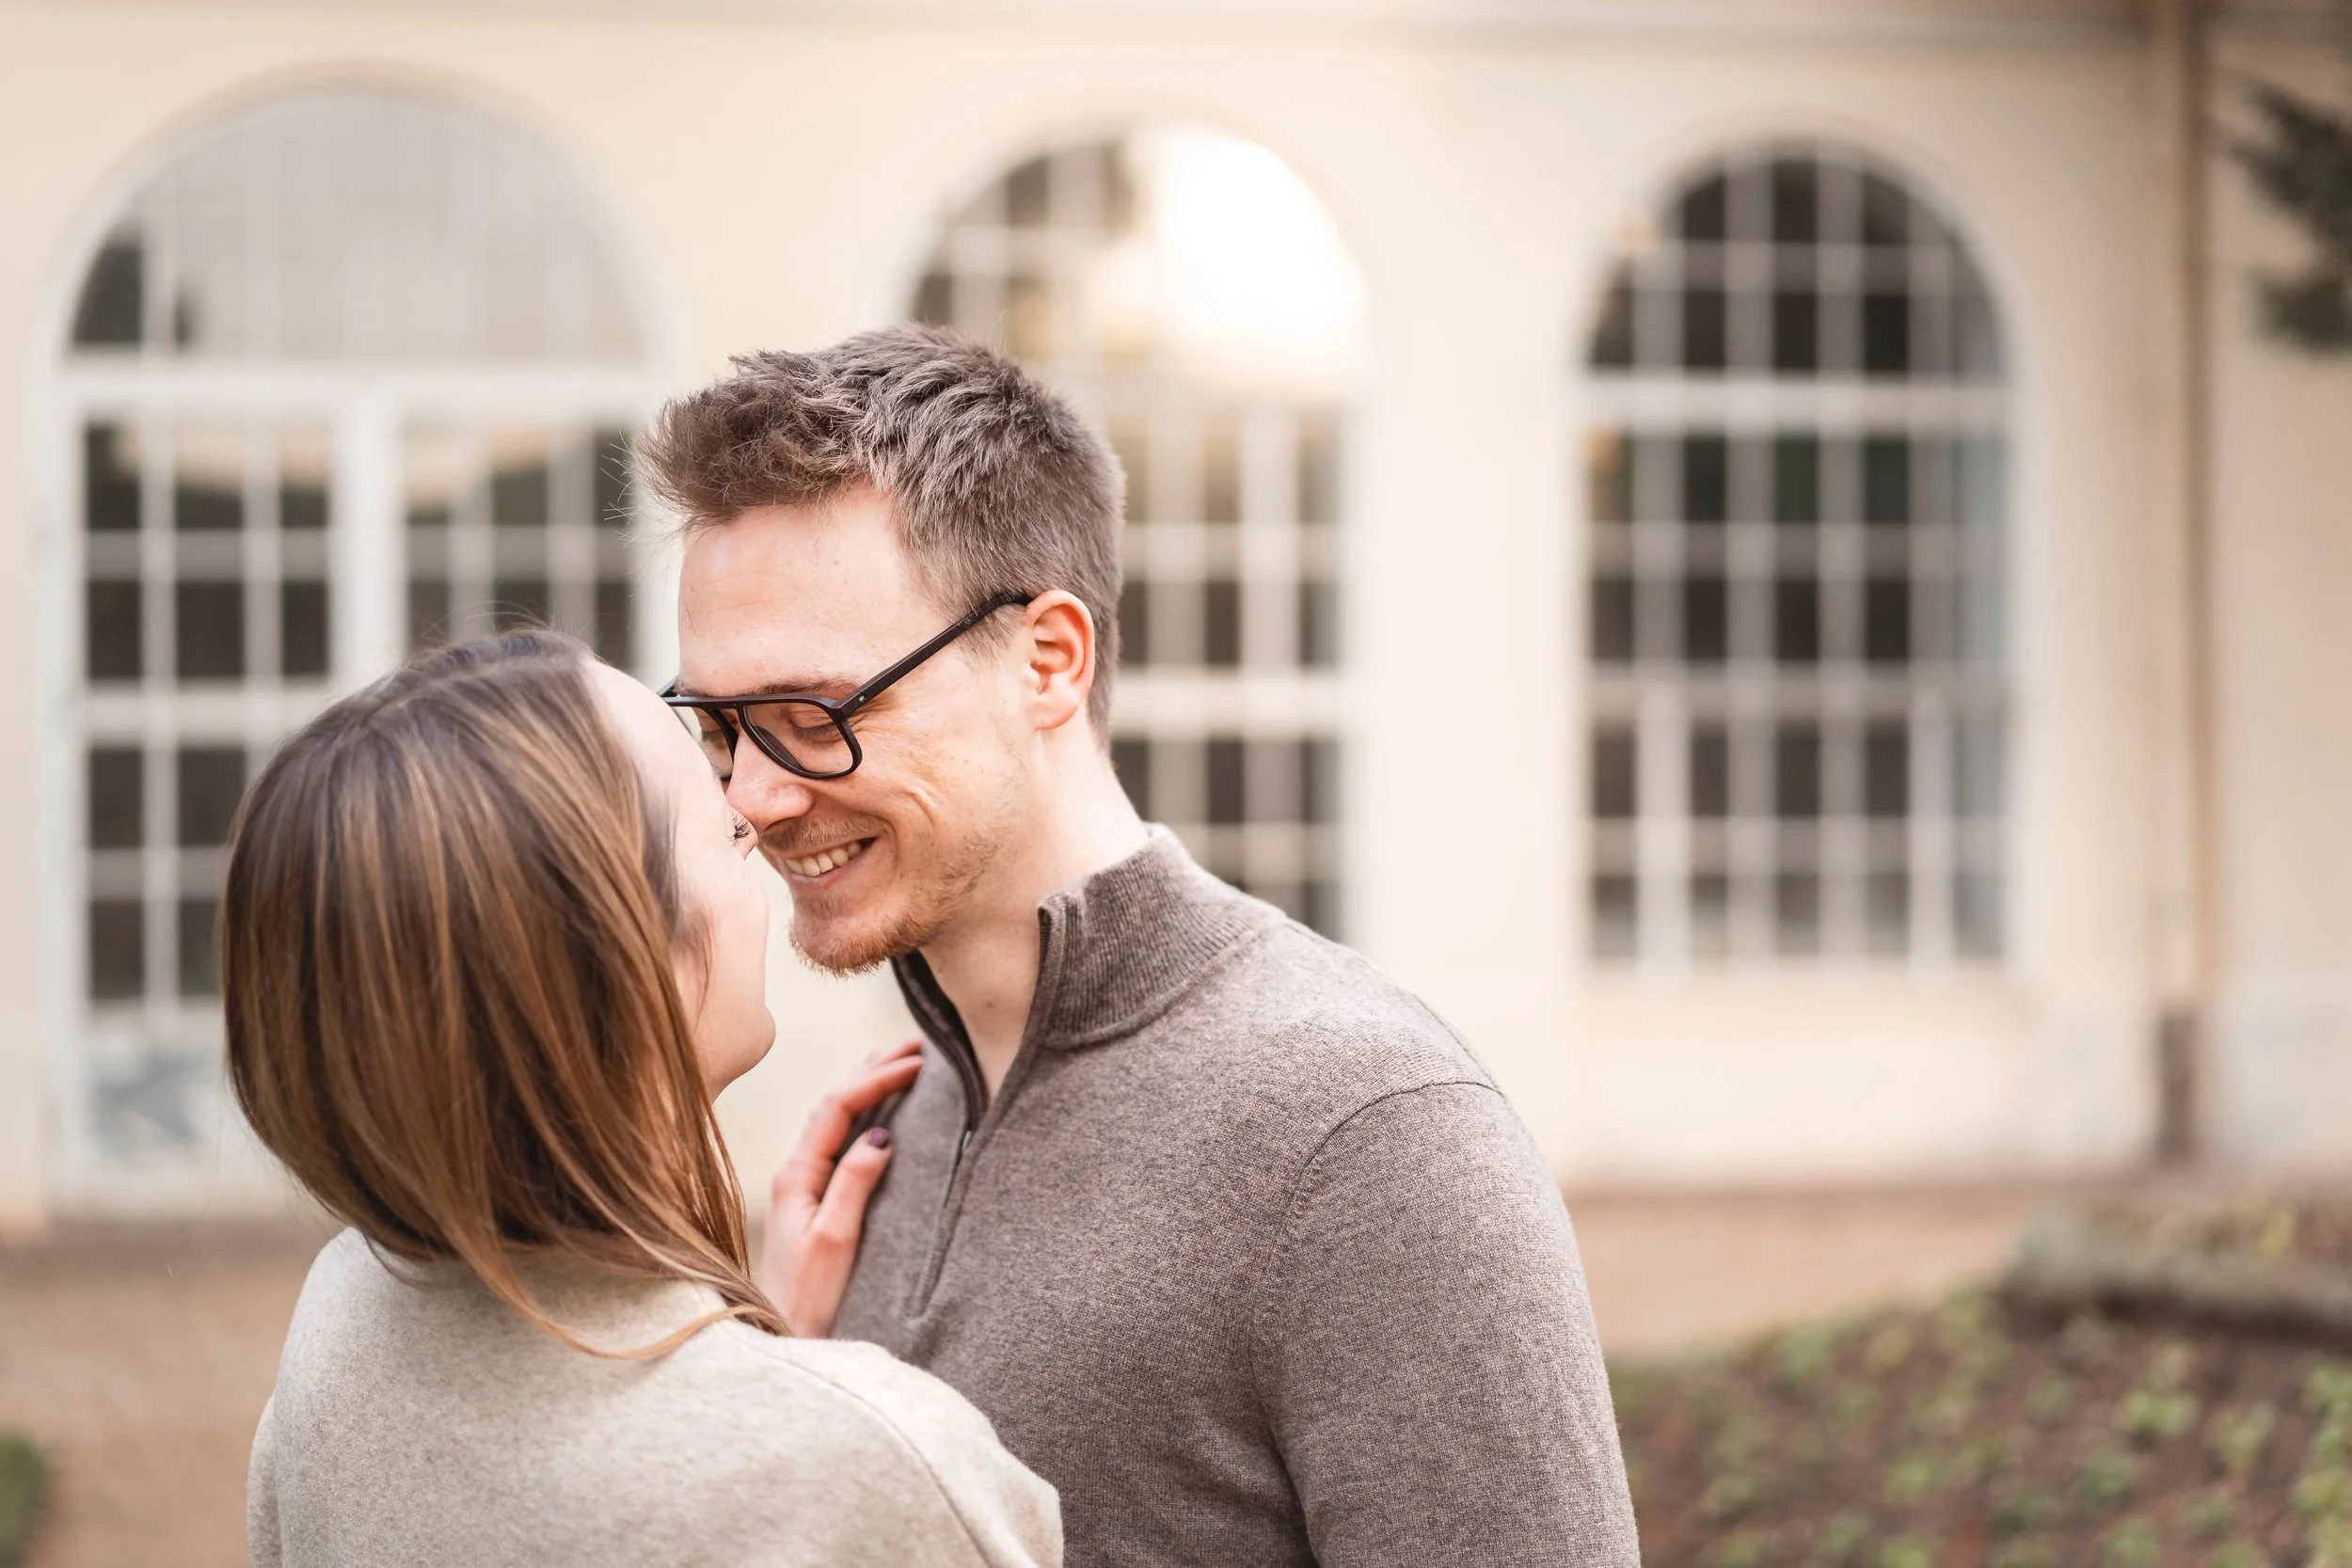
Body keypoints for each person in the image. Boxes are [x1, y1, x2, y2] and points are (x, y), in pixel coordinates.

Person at [652, 326, 1641, 1566]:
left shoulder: (1370, 1134)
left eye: (811, 715)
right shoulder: (879, 1137)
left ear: (1049, 659)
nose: (750, 794)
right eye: (721, 725)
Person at [225, 630, 1060, 1568]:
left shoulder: (348, 1311)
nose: (760, 814)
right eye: (717, 820)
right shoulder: (872, 1464)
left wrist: (746, 1341)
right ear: (624, 961)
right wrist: (784, 1401)